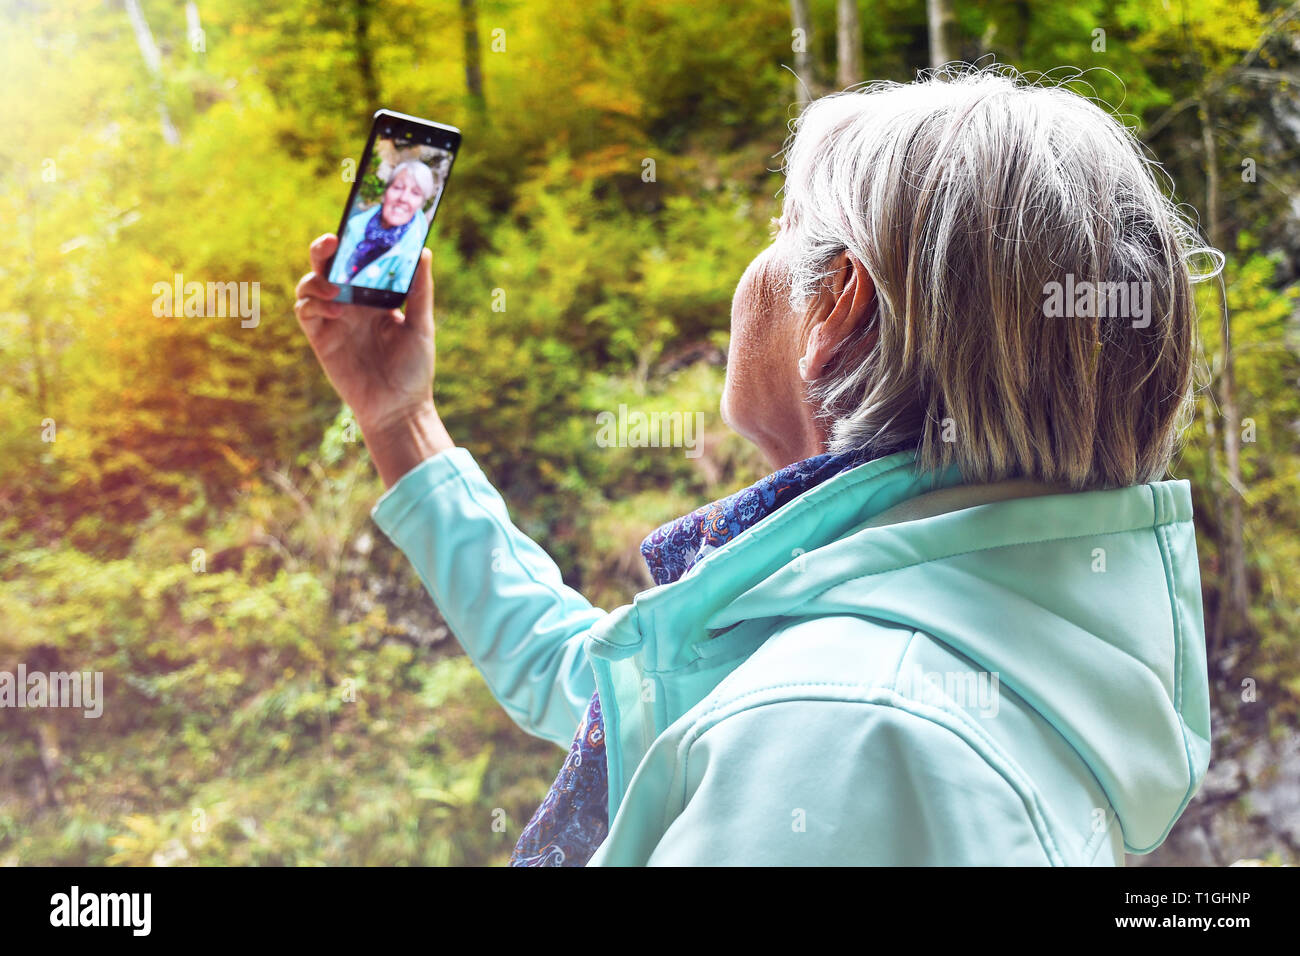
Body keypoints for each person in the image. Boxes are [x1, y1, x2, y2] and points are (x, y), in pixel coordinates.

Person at [294, 65, 1214, 865]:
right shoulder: (996, 627)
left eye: (780, 226)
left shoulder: (839, 730)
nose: (752, 265)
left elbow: (763, 710)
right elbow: (596, 678)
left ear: (837, 307)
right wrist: (401, 419)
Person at [328, 160, 436, 292]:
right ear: (385, 192)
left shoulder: (413, 254)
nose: (403, 198)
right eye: (398, 187)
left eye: (415, 193)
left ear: (421, 204)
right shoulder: (355, 225)